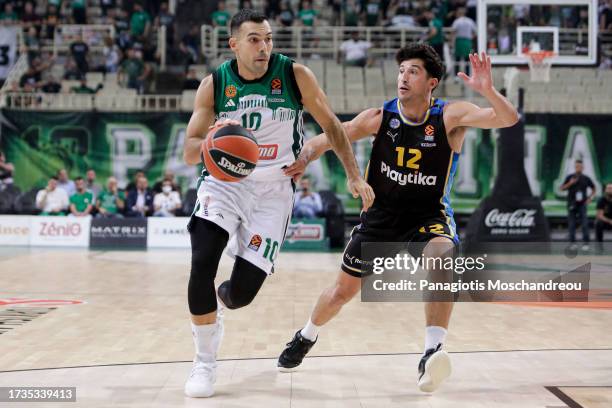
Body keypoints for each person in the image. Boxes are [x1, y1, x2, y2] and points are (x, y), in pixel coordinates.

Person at [277, 45, 519, 393]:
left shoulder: (450, 116)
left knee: (443, 259)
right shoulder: (381, 116)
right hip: (381, 218)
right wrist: (306, 156)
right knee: (340, 294)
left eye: (413, 71)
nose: (403, 77)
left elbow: (507, 118)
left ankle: (432, 351)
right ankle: (306, 335)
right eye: (401, 70)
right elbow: (333, 134)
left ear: (431, 82)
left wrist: (488, 92)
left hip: (427, 217)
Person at [181, 9, 373, 398]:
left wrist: (354, 174)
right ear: (234, 43)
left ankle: (218, 305)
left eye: (268, 38)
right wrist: (211, 144)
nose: (264, 46)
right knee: (202, 261)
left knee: (240, 295)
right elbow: (188, 151)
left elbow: (332, 126)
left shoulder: (294, 75)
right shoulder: (214, 84)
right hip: (223, 184)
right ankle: (204, 363)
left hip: (273, 191)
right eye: (254, 39)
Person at [560, 159, 595, 250]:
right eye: (576, 166)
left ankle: (586, 243)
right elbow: (561, 188)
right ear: (574, 167)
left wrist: (590, 198)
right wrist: (570, 183)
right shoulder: (570, 177)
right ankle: (573, 243)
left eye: (580, 166)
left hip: (582, 204)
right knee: (572, 224)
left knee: (584, 223)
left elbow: (594, 188)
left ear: (583, 167)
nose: (578, 168)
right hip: (571, 203)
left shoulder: (586, 178)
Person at [451, 7, 477, 78]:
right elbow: (475, 32)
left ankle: (456, 76)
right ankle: (468, 75)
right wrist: (471, 38)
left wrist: (451, 43)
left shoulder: (457, 21)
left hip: (459, 41)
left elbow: (453, 32)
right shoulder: (470, 21)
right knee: (467, 59)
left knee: (457, 58)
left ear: (459, 13)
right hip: (467, 41)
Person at [595, 182, 612, 247]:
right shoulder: (601, 200)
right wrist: (609, 221)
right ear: (605, 190)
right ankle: (599, 246)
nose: (610, 190)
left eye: (611, 188)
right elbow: (599, 215)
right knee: (598, 223)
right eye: (609, 188)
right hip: (605, 221)